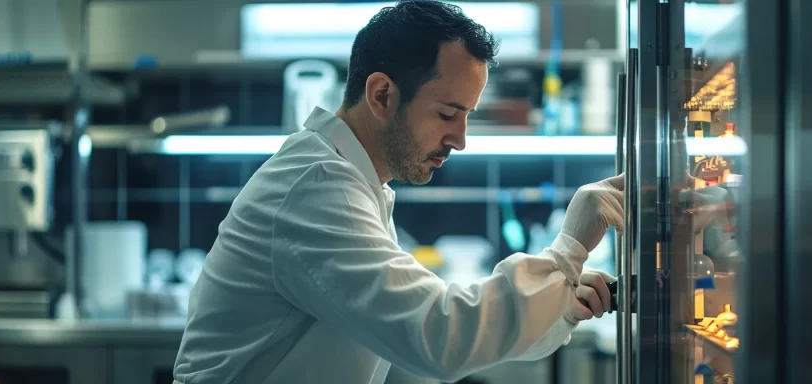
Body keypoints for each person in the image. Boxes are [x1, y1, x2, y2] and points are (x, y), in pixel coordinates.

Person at [171, 1, 624, 383]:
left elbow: (433, 322)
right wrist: (568, 249)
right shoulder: (319, 186)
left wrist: (562, 301)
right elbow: (439, 336)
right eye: (448, 114)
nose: (461, 140)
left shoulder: (356, 181)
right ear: (382, 95)